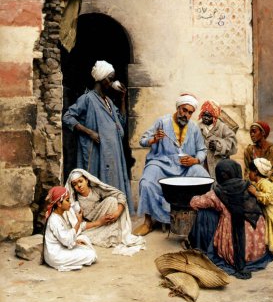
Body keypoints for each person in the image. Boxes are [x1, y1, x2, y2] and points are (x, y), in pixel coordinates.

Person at [133, 93, 209, 236]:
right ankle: (148, 222)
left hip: (185, 166)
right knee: (146, 182)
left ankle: (199, 219)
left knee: (203, 177)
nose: (186, 115)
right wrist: (154, 139)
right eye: (184, 110)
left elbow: (202, 150)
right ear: (178, 107)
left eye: (190, 113)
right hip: (161, 162)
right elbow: (142, 140)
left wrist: (195, 160)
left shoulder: (193, 128)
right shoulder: (162, 122)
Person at [63, 60, 134, 213]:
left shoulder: (108, 101)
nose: (112, 82)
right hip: (98, 151)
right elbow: (68, 117)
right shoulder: (87, 98)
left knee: (114, 182)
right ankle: (100, 214)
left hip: (114, 151)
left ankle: (114, 213)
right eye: (110, 78)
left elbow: (121, 121)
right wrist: (89, 132)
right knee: (99, 181)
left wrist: (122, 99)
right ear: (101, 79)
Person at [187, 159, 273, 279]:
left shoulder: (217, 193)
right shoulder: (249, 187)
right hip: (258, 249)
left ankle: (202, 245)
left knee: (205, 212)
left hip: (235, 250)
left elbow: (194, 203)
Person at [65, 168, 145, 254]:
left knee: (111, 200)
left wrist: (117, 213)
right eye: (75, 184)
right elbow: (78, 224)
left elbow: (120, 195)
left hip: (105, 219)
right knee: (80, 236)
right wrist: (99, 222)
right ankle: (104, 233)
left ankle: (110, 230)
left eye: (81, 181)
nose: (79, 185)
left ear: (87, 180)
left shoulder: (96, 190)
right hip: (92, 225)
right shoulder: (75, 200)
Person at [43, 186, 97, 272]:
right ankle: (64, 264)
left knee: (84, 239)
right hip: (55, 256)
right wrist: (78, 223)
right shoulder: (54, 219)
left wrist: (75, 242)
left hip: (61, 248)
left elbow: (64, 237)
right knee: (91, 255)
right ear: (59, 204)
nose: (70, 203)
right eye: (67, 200)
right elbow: (66, 239)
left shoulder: (60, 215)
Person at [198, 100, 237, 179]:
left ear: (215, 116)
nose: (205, 118)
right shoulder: (198, 127)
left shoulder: (222, 127)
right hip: (203, 163)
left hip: (218, 162)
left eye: (209, 116)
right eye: (204, 115)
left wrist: (219, 145)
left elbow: (232, 142)